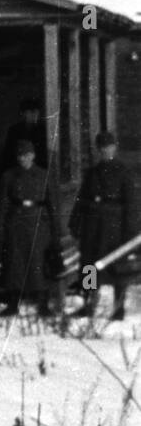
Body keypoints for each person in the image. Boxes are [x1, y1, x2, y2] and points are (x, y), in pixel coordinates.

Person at [69, 131, 136, 320]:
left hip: (115, 226)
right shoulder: (92, 173)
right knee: (89, 265)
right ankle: (89, 304)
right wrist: (75, 223)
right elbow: (82, 199)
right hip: (93, 226)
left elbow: (131, 204)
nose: (105, 151)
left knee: (117, 264)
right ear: (98, 150)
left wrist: (130, 232)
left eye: (109, 146)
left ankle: (119, 307)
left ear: (115, 147)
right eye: (102, 148)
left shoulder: (124, 171)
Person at [0, 139, 60, 317]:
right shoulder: (8, 176)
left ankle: (43, 304)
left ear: (33, 156)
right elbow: (2, 205)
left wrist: (56, 232)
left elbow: (53, 205)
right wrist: (0, 229)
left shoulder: (44, 175)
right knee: (15, 264)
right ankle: (12, 303)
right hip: (16, 222)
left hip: (38, 222)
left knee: (39, 262)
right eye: (21, 155)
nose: (24, 159)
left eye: (27, 155)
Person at [3, 98, 49, 173]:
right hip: (18, 170)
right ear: (22, 113)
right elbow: (8, 154)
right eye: (31, 112)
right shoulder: (14, 130)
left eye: (37, 112)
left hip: (38, 170)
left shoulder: (43, 130)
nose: (35, 115)